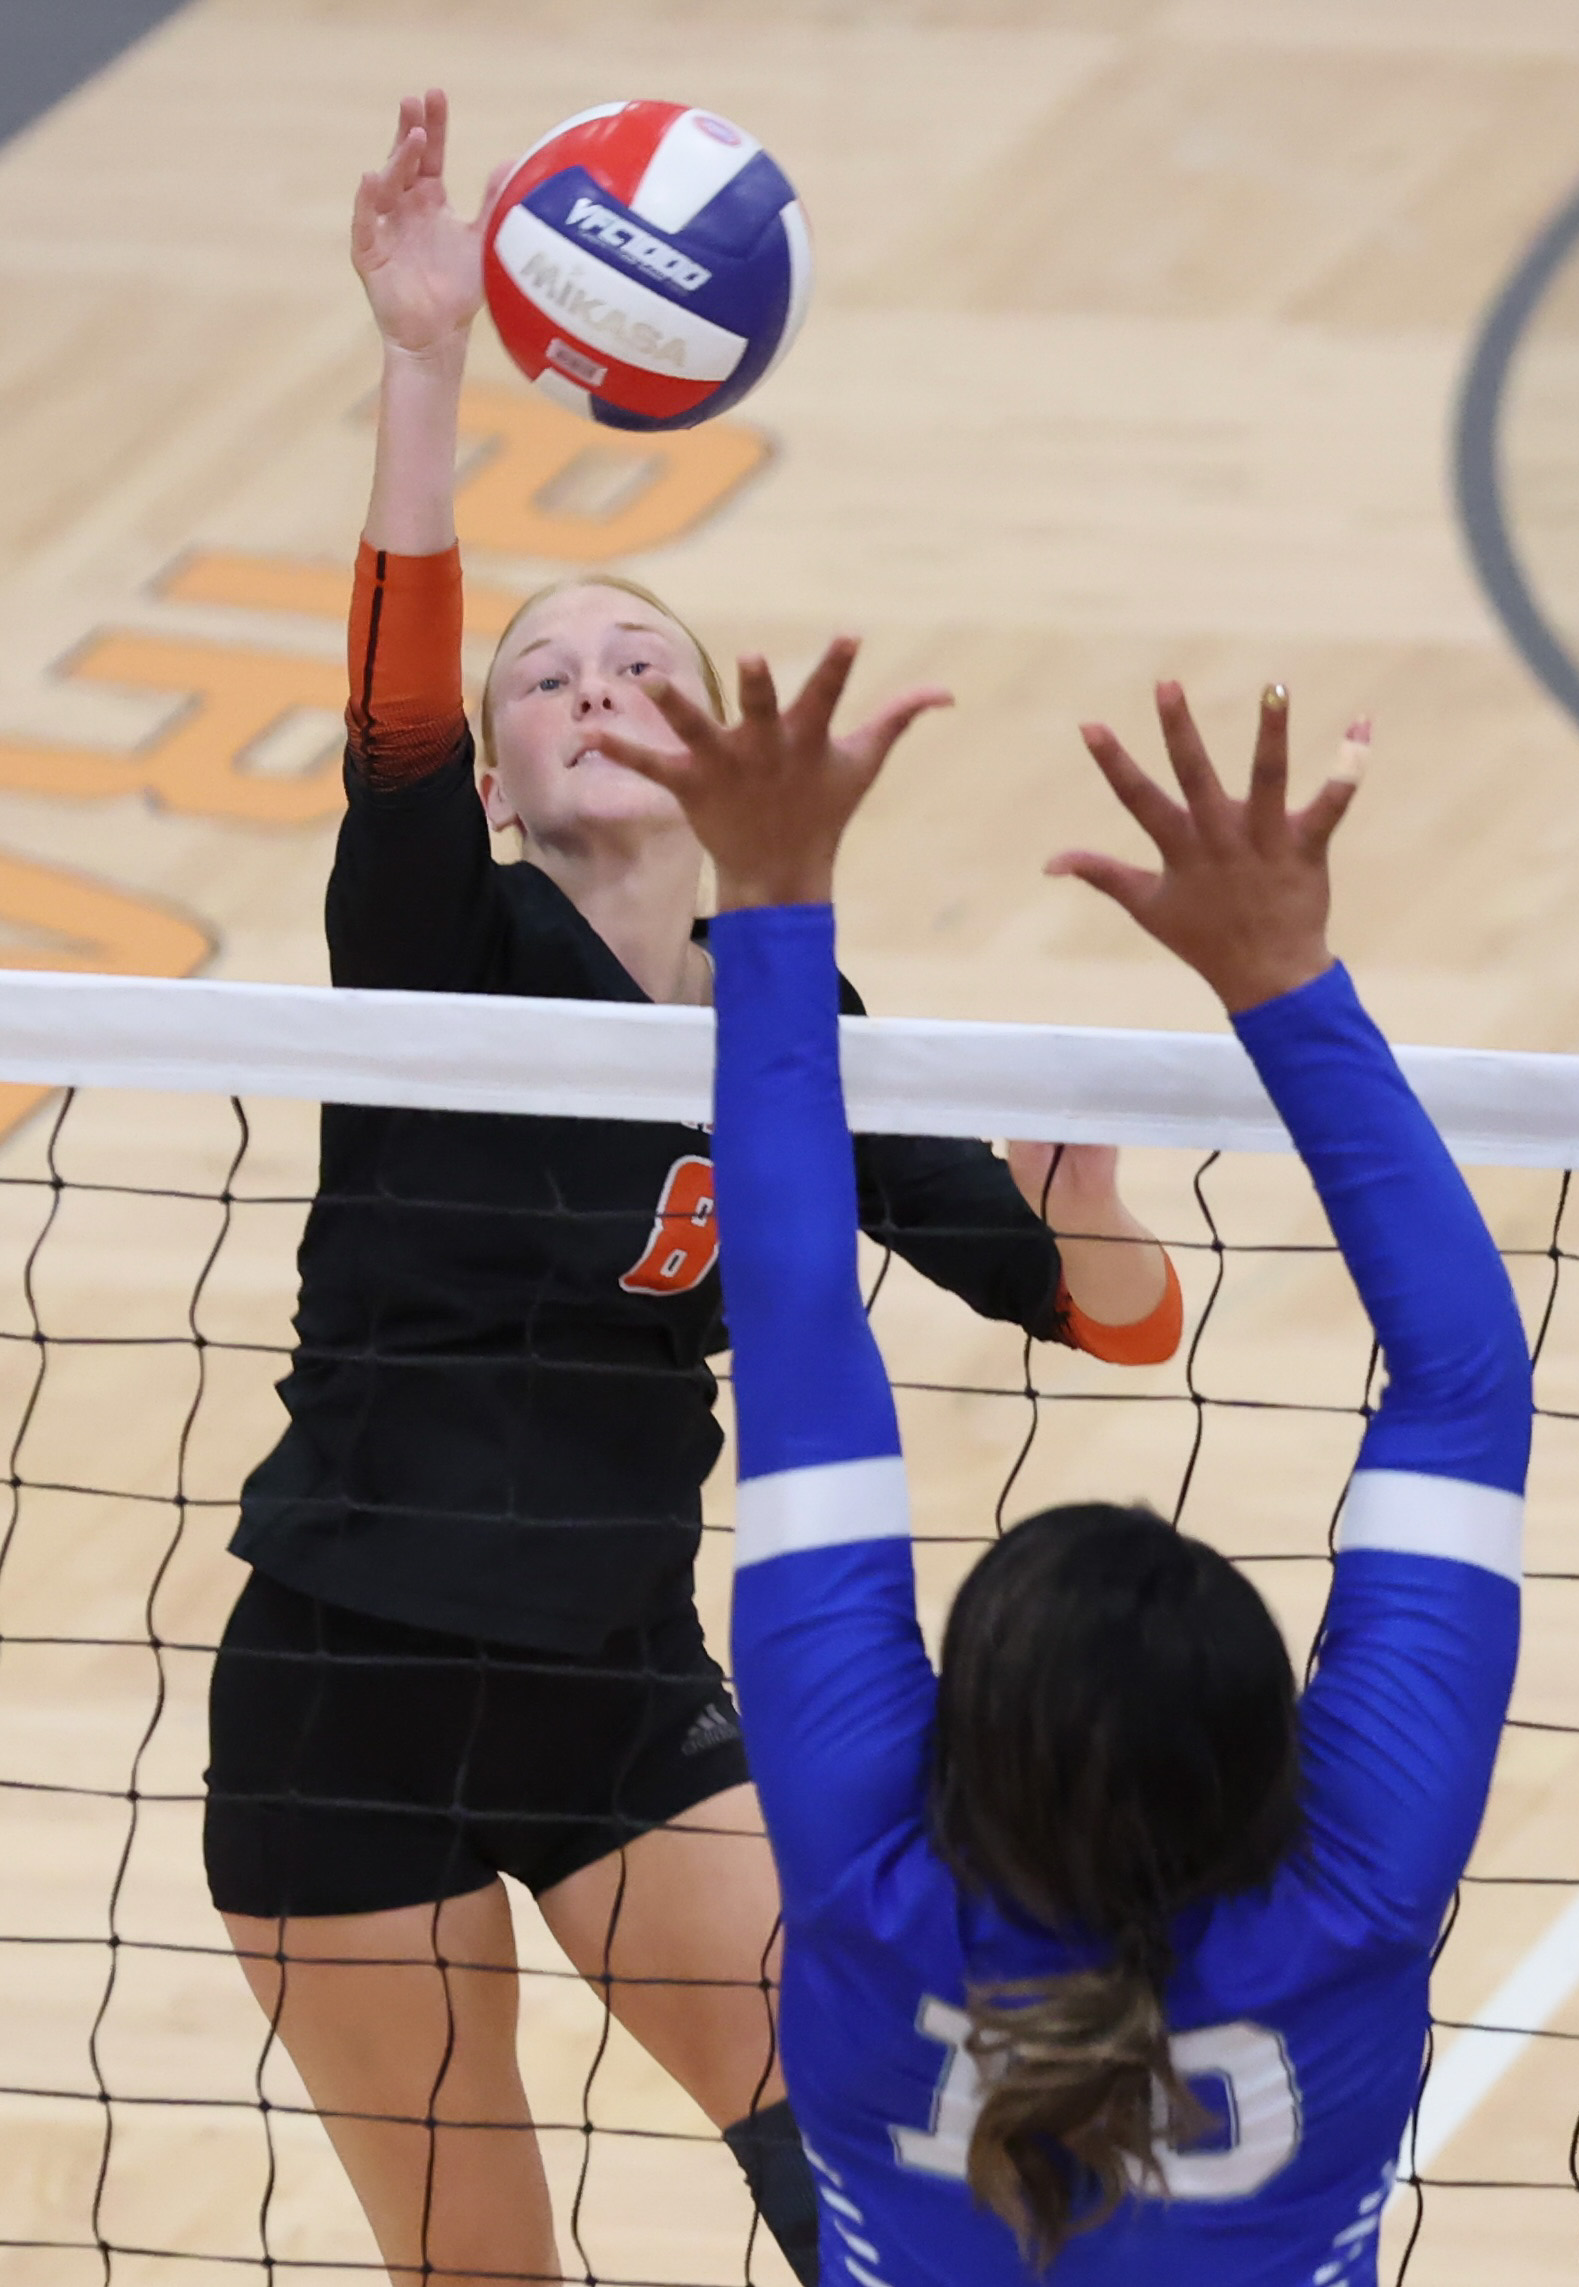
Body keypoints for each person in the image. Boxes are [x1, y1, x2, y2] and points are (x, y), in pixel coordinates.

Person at [201, 90, 1182, 2287]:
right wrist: (427, 361)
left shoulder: (794, 1014)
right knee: (482, 2267)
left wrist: (1087, 1200)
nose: (595, 685)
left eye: (643, 659)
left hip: (617, 1687)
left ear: (719, 738)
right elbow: (393, 715)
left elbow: (1114, 1319)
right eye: (545, 676)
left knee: (885, 2156)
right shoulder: (441, 943)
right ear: (503, 777)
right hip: (348, 1698)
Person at [595, 656, 1532, 2281]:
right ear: (1268, 1746)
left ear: (960, 1733)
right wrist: (1282, 982)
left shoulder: (874, 1883)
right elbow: (1466, 1391)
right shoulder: (1351, 1892)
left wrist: (767, 896)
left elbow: (794, 1329)